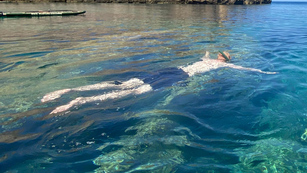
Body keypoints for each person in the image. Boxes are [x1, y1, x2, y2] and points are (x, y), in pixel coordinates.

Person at [42, 51, 276, 114]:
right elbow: (242, 67)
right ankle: (78, 100)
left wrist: (261, 72)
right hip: (178, 76)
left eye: (220, 54)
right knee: (134, 91)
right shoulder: (221, 64)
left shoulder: (208, 59)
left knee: (125, 84)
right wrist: (263, 73)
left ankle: (72, 91)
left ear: (219, 56)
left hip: (174, 69)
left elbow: (236, 64)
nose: (219, 57)